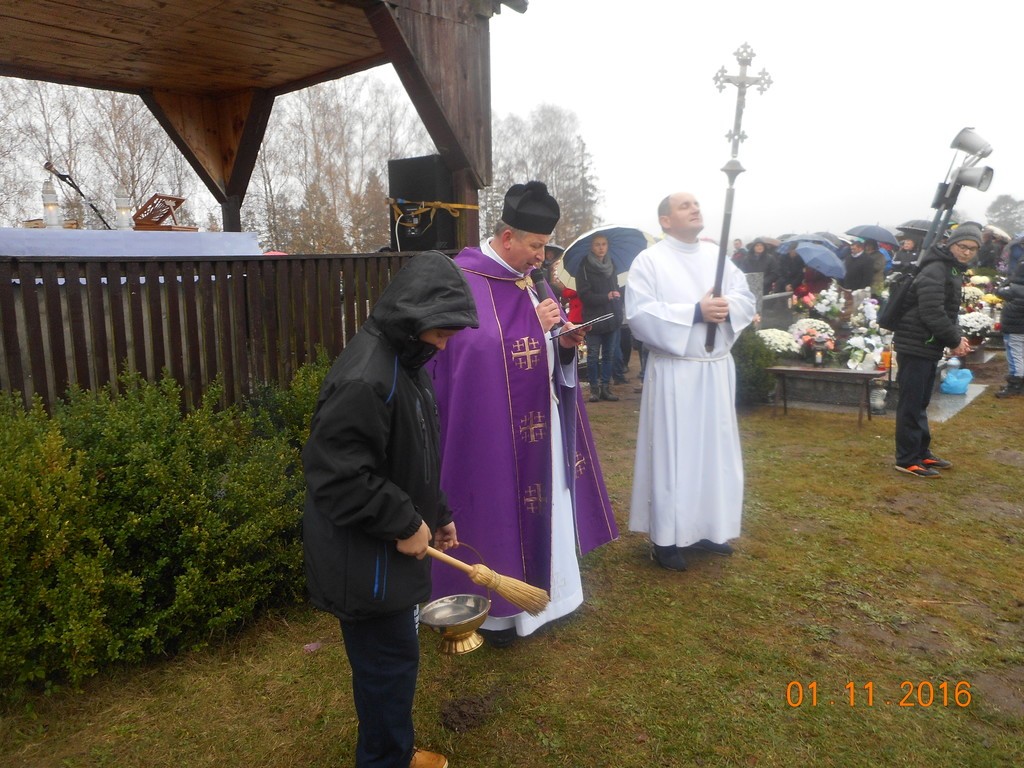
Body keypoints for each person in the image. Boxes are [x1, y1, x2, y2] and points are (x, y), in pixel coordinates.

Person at [302, 251, 479, 768]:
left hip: (384, 554)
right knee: (387, 667)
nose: (444, 344)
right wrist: (402, 520)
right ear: (412, 316)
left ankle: (392, 751)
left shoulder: (408, 363)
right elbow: (335, 475)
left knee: (395, 660)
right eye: (441, 332)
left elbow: (413, 453)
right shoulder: (367, 378)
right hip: (365, 564)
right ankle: (386, 760)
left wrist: (436, 510)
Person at [428, 181, 618, 646]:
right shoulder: (462, 277)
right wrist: (534, 330)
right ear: (508, 236)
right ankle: (498, 615)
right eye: (535, 246)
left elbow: (538, 346)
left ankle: (555, 595)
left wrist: (563, 342)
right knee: (495, 509)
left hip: (540, 421)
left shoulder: (528, 279)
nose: (541, 257)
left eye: (545, 247)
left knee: (547, 501)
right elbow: (469, 352)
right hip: (490, 430)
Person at [625, 192, 756, 571]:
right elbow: (639, 314)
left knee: (713, 452)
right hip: (676, 371)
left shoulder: (718, 257)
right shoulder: (650, 261)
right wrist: (695, 312)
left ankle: (709, 528)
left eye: (696, 204)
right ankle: (665, 538)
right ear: (665, 220)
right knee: (674, 453)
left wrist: (727, 307)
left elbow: (744, 297)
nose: (695, 208)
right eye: (684, 205)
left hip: (715, 369)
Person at [891, 224, 980, 477]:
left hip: (927, 344)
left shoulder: (951, 269)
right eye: (962, 246)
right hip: (915, 343)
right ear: (951, 245)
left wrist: (957, 337)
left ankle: (921, 452)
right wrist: (953, 340)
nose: (966, 252)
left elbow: (949, 311)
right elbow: (931, 311)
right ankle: (907, 459)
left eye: (972, 248)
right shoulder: (936, 268)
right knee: (911, 403)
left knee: (921, 401)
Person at [576, 233, 624, 401]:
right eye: (597, 244)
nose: (601, 247)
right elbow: (584, 295)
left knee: (609, 355)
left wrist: (617, 295)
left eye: (604, 244)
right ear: (592, 246)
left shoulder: (612, 264)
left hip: (612, 316)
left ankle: (606, 388)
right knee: (592, 356)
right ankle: (594, 389)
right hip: (594, 318)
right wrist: (606, 296)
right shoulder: (584, 267)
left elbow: (616, 286)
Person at [994, 259, 1024, 397]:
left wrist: (1008, 280)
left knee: (1015, 356)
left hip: (1014, 329)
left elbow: (998, 291)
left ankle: (1015, 384)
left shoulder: (1013, 289)